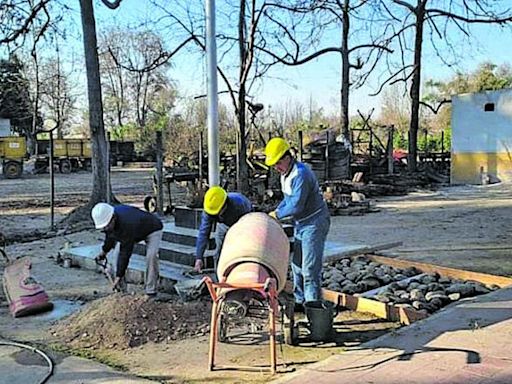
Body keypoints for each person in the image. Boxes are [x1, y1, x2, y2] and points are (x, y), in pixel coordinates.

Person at [264, 137, 330, 311]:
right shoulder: (286, 174)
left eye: (278, 163)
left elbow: (296, 205)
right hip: (301, 224)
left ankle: (313, 307)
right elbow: (288, 200)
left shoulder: (301, 174)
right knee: (297, 265)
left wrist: (277, 214)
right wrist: (275, 212)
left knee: (309, 269)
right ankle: (301, 301)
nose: (276, 168)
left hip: (314, 222)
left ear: (287, 157)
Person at [91, 202, 163, 296]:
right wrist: (103, 252)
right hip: (134, 231)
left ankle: (151, 291)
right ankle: (121, 292)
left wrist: (119, 275)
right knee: (115, 257)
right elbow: (109, 237)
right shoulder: (109, 222)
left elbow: (125, 253)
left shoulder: (127, 223)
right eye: (104, 227)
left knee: (151, 256)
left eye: (107, 225)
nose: (106, 228)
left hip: (152, 228)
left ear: (113, 217)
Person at [194, 186, 253, 272]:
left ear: (224, 205)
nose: (215, 215)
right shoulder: (209, 209)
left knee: (239, 250)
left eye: (217, 212)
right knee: (219, 251)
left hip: (242, 223)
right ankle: (218, 276)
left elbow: (248, 225)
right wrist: (199, 258)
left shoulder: (240, 205)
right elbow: (204, 232)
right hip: (223, 225)